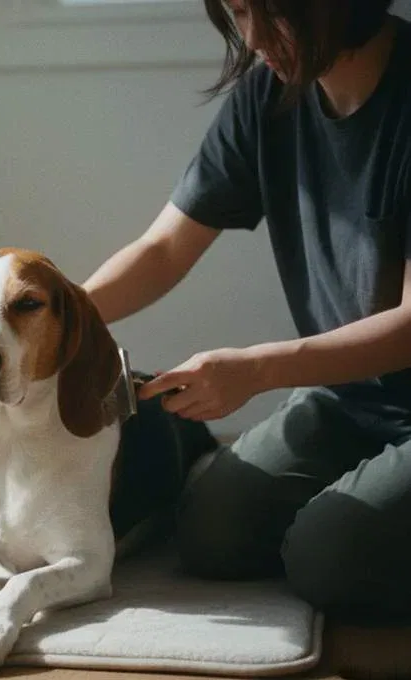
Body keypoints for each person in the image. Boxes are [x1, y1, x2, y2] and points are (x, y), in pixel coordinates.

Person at [82, 0, 411, 623]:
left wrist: (257, 370)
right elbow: (162, 250)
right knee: (212, 531)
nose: (254, 38)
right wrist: (49, 321)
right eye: (237, 10)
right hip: (348, 399)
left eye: (275, 13)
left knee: (329, 558)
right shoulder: (270, 96)